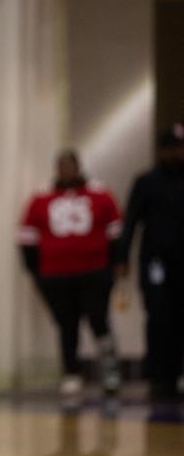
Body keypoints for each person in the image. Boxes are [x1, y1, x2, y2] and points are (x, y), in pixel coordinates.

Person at [18, 150, 123, 401]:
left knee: (99, 320)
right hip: (56, 275)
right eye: (61, 166)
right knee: (67, 324)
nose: (66, 170)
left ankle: (109, 372)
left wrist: (116, 264)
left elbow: (116, 232)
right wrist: (38, 274)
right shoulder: (42, 196)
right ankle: (71, 373)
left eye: (69, 165)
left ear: (78, 167)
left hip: (94, 271)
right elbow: (26, 238)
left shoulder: (99, 193)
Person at [115, 123, 184, 404]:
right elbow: (130, 221)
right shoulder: (146, 182)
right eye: (173, 148)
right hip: (155, 262)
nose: (178, 153)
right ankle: (159, 376)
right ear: (162, 151)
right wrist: (122, 258)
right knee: (159, 316)